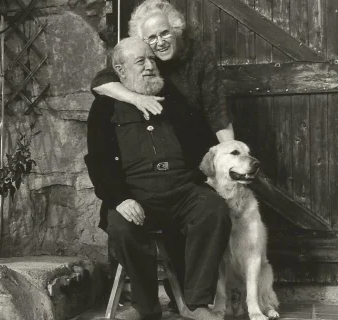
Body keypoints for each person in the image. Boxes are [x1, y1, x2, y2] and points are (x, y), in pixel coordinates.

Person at [84, 37, 231, 320]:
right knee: (121, 226)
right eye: (141, 61)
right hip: (136, 196)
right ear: (120, 70)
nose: (150, 66)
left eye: (152, 59)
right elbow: (98, 161)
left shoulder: (174, 100)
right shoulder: (104, 108)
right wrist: (119, 199)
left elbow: (202, 143)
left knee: (214, 209)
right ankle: (145, 306)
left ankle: (195, 303)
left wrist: (209, 176)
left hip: (183, 193)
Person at [91, 0, 234, 154]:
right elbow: (100, 82)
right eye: (151, 38)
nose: (160, 43)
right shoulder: (146, 58)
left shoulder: (200, 56)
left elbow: (218, 114)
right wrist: (137, 98)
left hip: (197, 137)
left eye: (165, 33)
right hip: (162, 141)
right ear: (143, 41)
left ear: (175, 29)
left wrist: (232, 152)